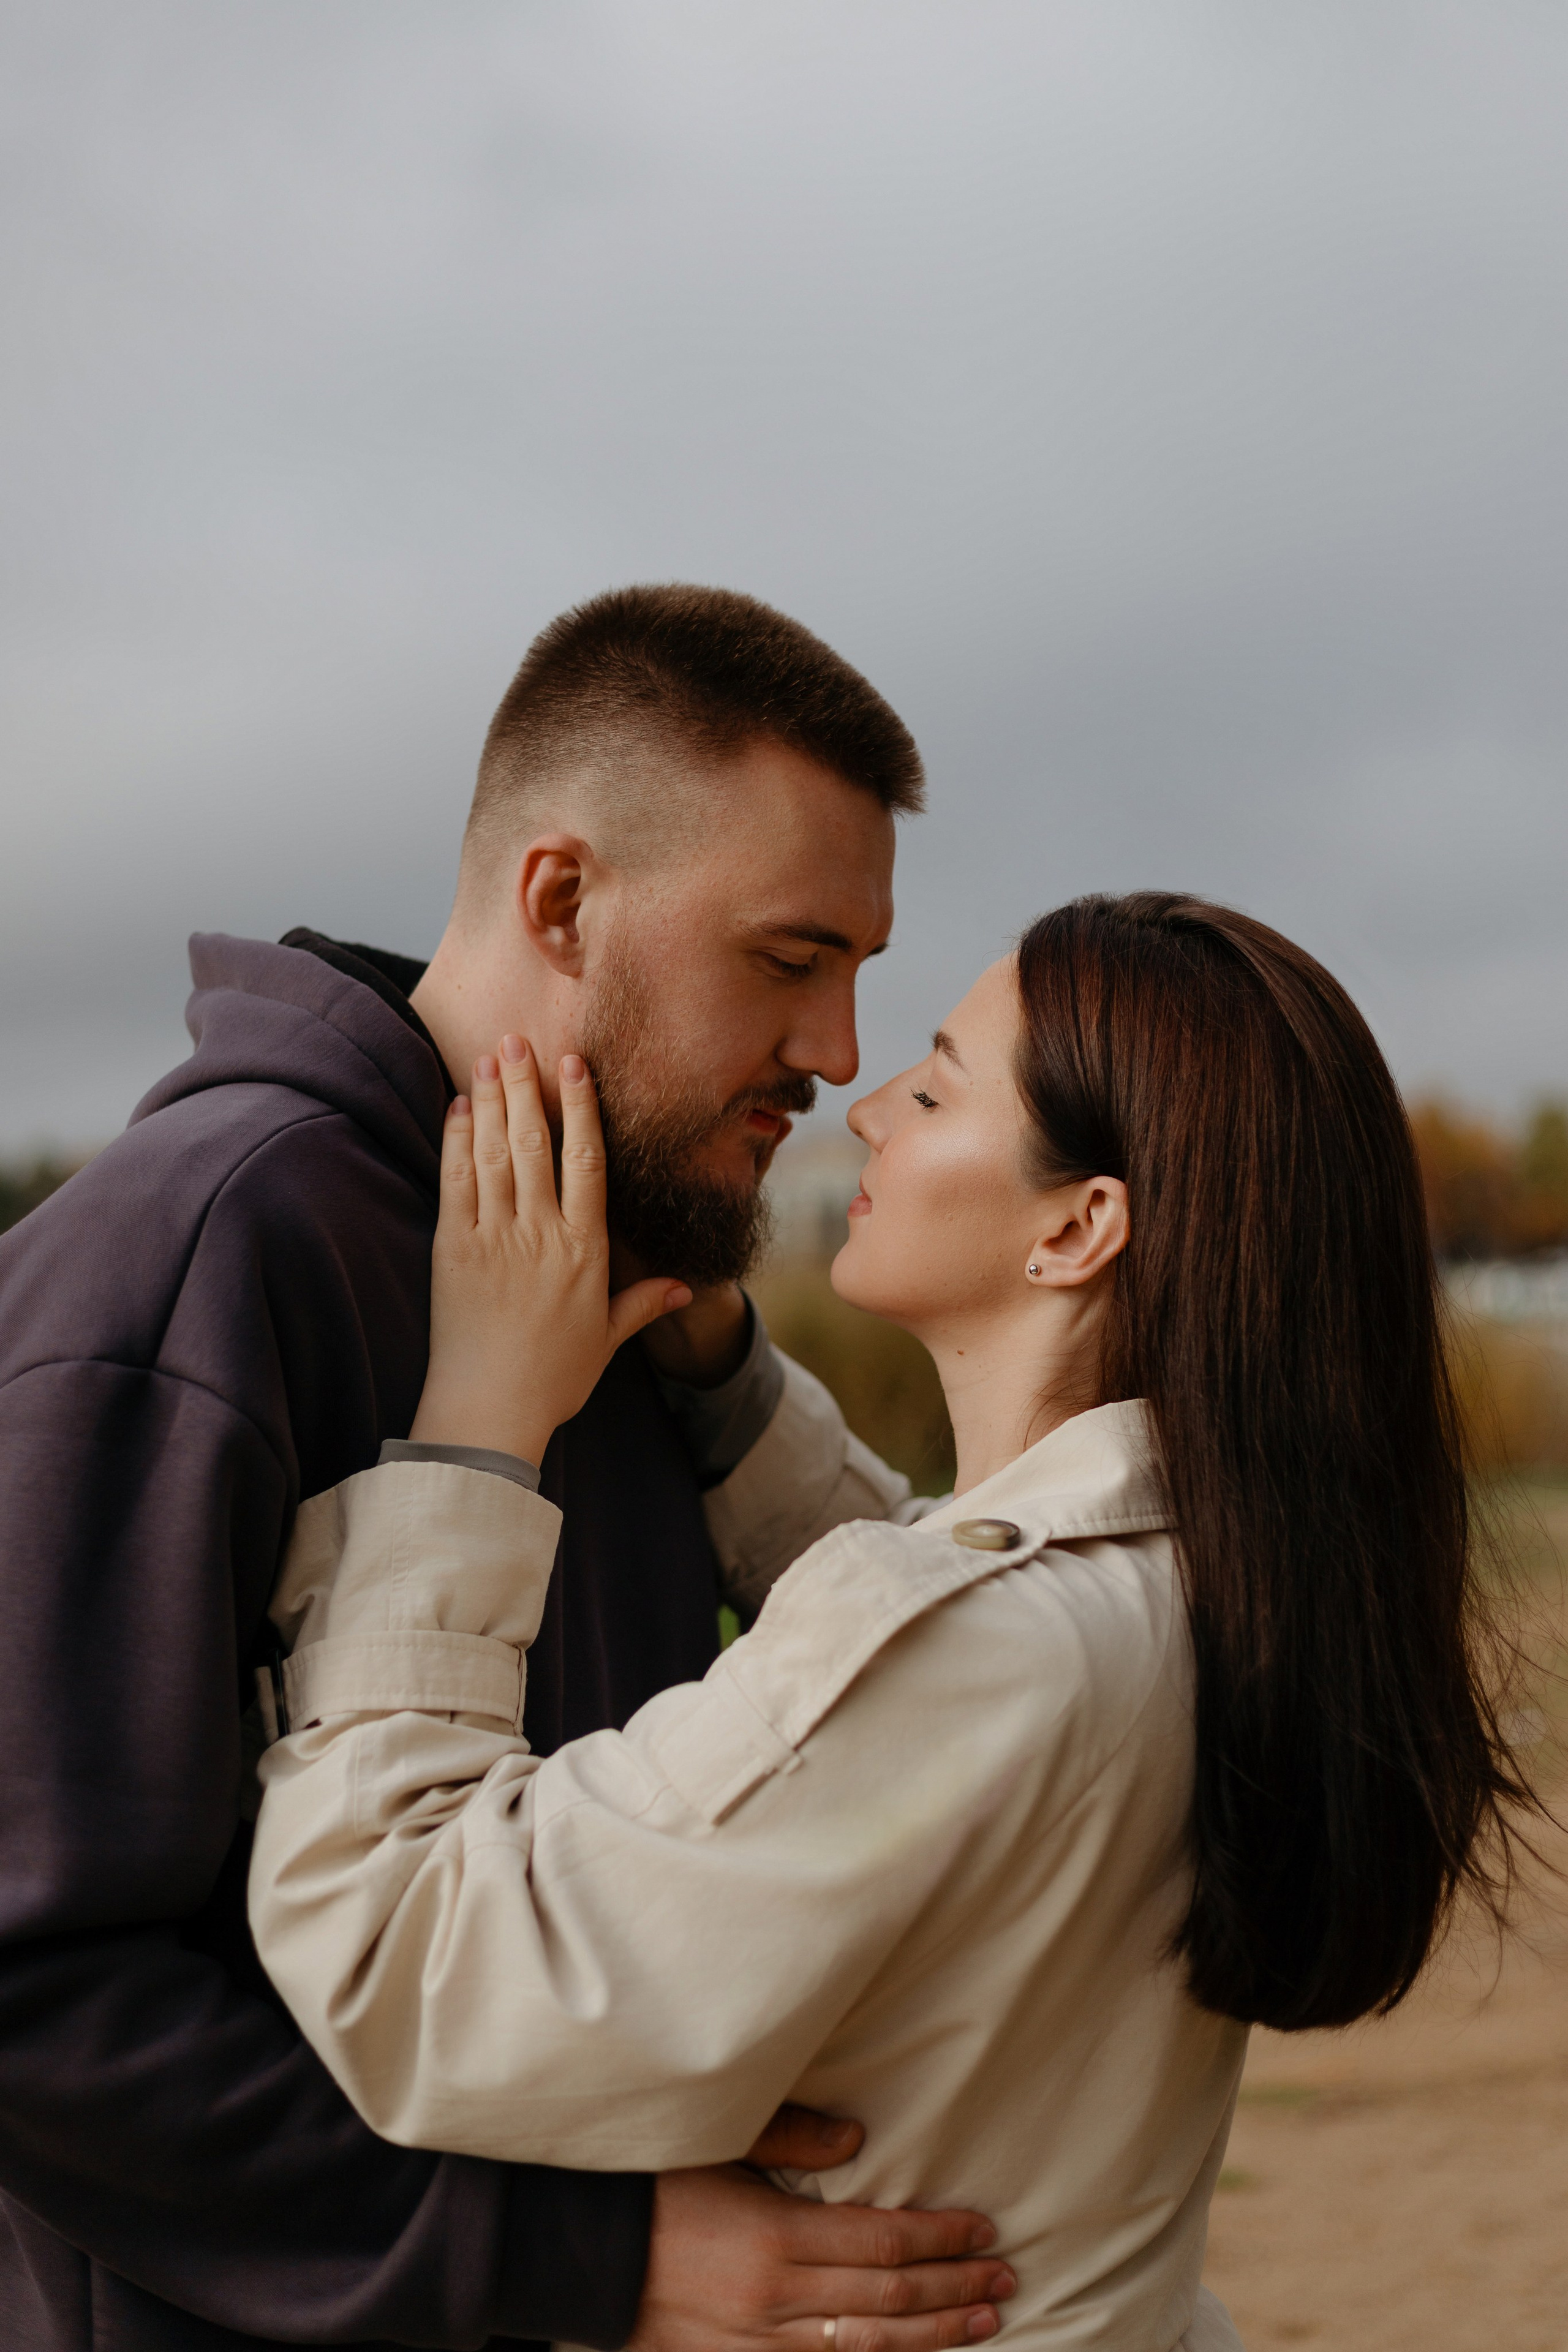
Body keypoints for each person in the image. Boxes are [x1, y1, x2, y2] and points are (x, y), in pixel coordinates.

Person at [249, 893, 1527, 2352]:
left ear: (1075, 1225)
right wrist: (722, 1362)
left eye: (930, 1085)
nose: (861, 1111)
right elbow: (913, 1624)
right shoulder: (1214, 1580)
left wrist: (477, 1421)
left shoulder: (975, 1650)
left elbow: (407, 1968)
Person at [0, 586, 1016, 2352]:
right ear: (562, 899)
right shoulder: (198, 1260)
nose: (839, 1053)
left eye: (860, 972)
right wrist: (581, 2252)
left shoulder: (629, 1267)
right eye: (789, 961)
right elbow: (33, 1988)